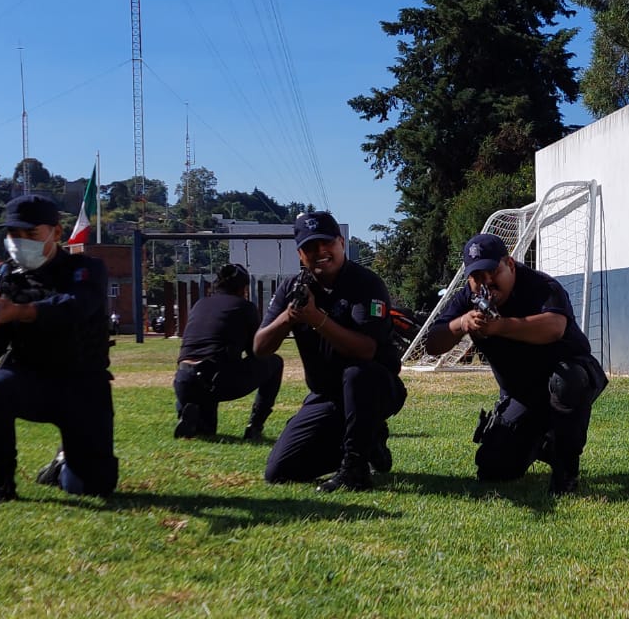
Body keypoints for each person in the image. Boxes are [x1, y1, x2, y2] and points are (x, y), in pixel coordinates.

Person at [424, 233, 607, 494]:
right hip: (522, 395)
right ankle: (545, 443)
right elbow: (433, 344)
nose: (486, 282)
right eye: (477, 276)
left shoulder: (542, 286)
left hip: (570, 378)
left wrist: (500, 326)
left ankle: (566, 469)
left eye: (492, 271)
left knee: (567, 381)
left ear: (510, 264)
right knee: (494, 468)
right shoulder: (467, 297)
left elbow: (554, 327)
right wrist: (461, 323)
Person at [0, 195, 117, 504]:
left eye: (30, 234)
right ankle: (1, 482)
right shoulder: (0, 277)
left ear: (56, 233)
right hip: (30, 378)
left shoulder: (86, 270)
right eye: (13, 235)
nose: (19, 242)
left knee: (94, 485)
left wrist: (19, 312)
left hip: (83, 384)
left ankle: (64, 463)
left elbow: (77, 306)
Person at [255, 211, 404, 492]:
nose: (320, 252)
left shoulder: (365, 284)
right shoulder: (292, 288)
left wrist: (317, 319)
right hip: (327, 396)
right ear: (300, 254)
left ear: (340, 243)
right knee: (280, 470)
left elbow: (366, 349)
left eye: (326, 243)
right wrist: (289, 316)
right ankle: (369, 440)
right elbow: (260, 347)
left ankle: (355, 468)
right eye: (311, 247)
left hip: (376, 387)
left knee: (357, 374)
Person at [173, 262, 284, 440]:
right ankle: (254, 426)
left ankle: (188, 412)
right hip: (215, 378)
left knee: (207, 432)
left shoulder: (200, 304)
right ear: (244, 288)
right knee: (275, 362)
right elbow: (257, 352)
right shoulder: (244, 307)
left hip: (183, 380)